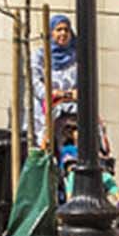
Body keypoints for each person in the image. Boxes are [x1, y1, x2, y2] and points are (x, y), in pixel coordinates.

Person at [29, 14, 78, 142]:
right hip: (49, 109)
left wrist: (70, 94)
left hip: (73, 107)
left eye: (66, 30)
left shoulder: (76, 55)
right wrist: (51, 94)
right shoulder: (40, 56)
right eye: (58, 30)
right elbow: (35, 82)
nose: (63, 33)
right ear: (51, 33)